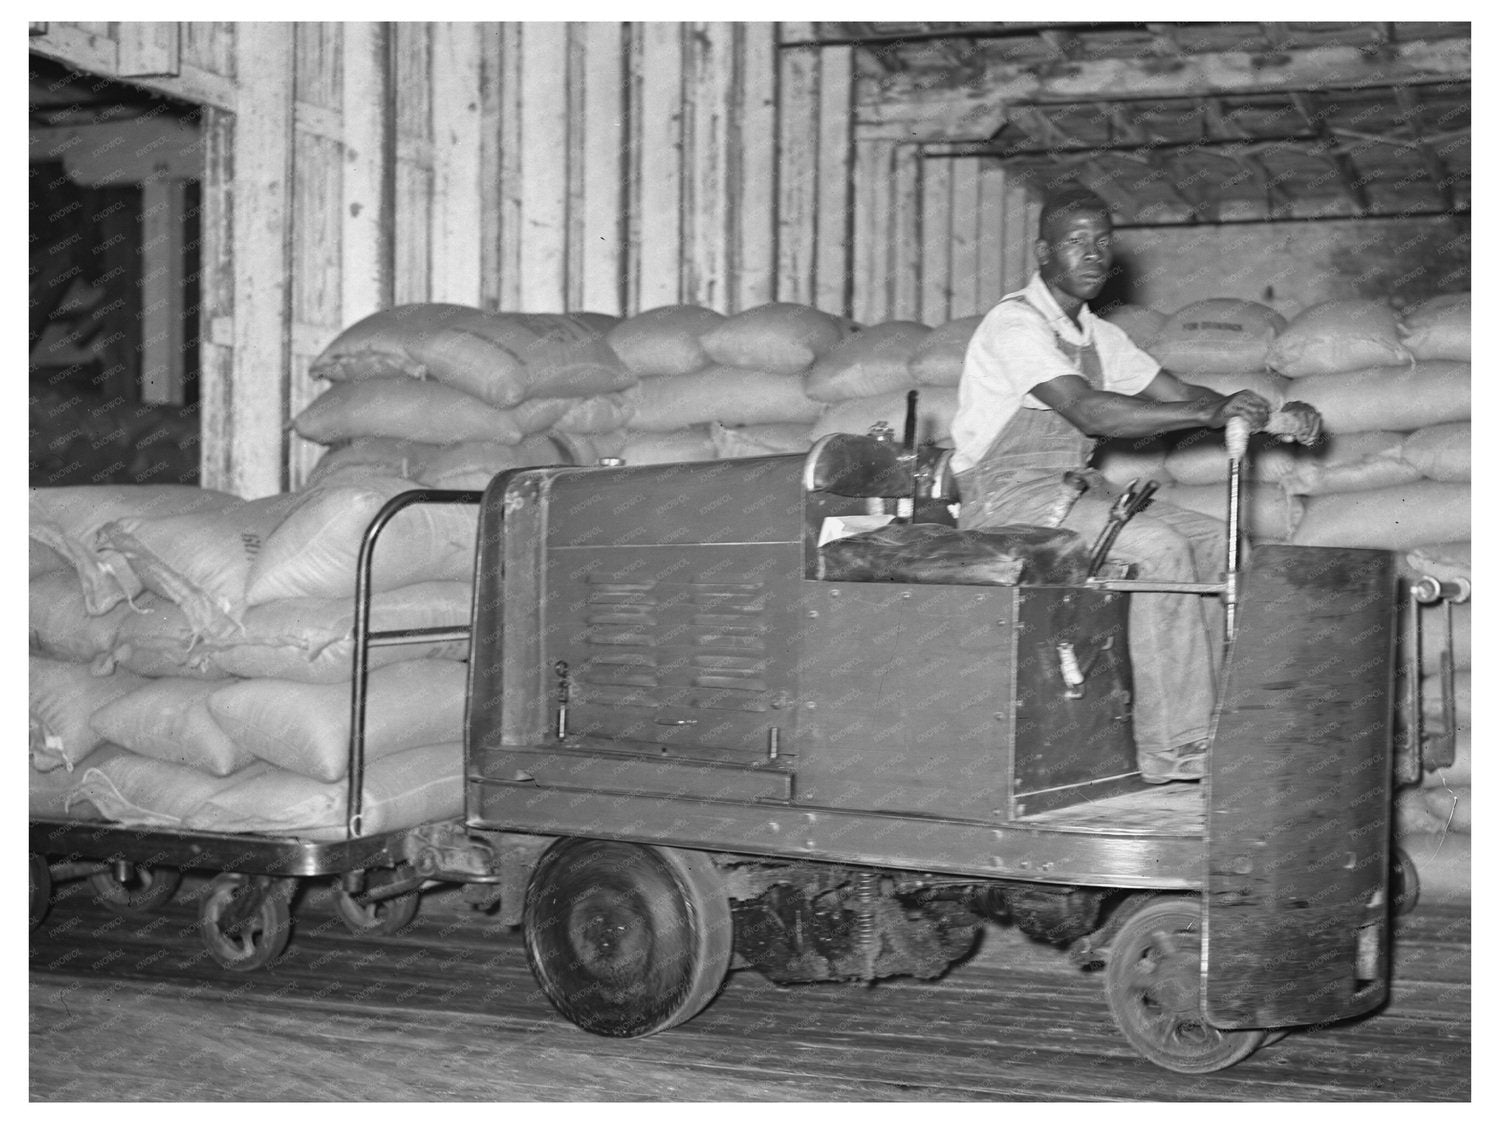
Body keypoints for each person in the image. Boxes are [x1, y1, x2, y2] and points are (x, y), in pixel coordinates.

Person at [951, 183, 1320, 783]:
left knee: (1221, 544)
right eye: (1076, 242)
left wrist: (1269, 415)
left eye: (1102, 242)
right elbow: (1092, 413)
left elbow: (1181, 395)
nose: (1093, 254)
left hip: (1070, 490)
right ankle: (1176, 747)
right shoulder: (1015, 326)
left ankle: (1224, 721)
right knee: (1159, 549)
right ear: (1044, 253)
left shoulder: (1097, 336)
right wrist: (1210, 414)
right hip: (1005, 498)